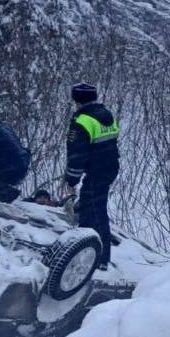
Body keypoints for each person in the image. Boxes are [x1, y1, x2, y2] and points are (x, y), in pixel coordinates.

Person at [64, 83, 120, 269]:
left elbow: (77, 154)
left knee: (96, 213)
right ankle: (85, 250)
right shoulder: (106, 115)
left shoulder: (82, 121)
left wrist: (72, 179)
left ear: (77, 99)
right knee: (89, 210)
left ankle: (101, 260)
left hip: (97, 171)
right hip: (108, 168)